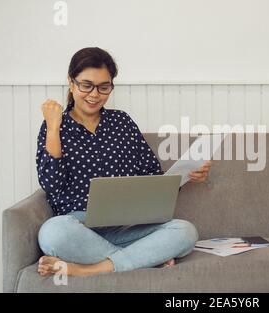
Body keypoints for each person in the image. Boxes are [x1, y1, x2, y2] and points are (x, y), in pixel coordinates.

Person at [36, 47, 211, 277]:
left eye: (104, 87)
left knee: (186, 232)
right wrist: (53, 127)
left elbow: (151, 176)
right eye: (86, 85)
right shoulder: (55, 126)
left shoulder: (122, 122)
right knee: (52, 233)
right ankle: (147, 258)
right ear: (71, 83)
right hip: (79, 227)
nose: (94, 94)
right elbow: (52, 185)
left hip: (127, 227)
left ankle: (91, 269)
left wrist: (186, 174)